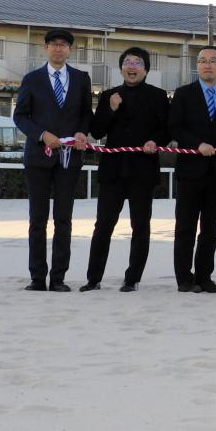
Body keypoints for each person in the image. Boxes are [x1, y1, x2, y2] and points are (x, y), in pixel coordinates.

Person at [80, 47, 170, 293]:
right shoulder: (110, 94)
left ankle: (132, 279)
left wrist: (155, 141)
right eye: (127, 62)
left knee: (140, 226)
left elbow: (167, 129)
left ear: (146, 69)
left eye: (137, 63)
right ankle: (93, 278)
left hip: (143, 169)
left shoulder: (159, 96)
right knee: (103, 225)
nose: (132, 67)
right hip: (113, 171)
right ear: (121, 68)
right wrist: (110, 108)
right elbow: (97, 131)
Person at [13, 28, 92, 292]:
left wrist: (82, 131)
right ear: (45, 48)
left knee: (63, 219)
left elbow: (85, 114)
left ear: (70, 50)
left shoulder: (81, 79)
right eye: (53, 44)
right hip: (38, 157)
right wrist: (41, 135)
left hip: (69, 159)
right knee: (37, 220)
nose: (58, 49)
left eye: (63, 45)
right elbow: (20, 116)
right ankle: (37, 278)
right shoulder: (32, 79)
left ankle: (58, 277)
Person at [168, 45, 216, 293]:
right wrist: (198, 145)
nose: (207, 65)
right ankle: (184, 279)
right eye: (202, 61)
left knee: (210, 229)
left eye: (213, 60)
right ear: (196, 66)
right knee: (185, 227)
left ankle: (204, 277)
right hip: (189, 171)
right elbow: (175, 128)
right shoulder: (183, 94)